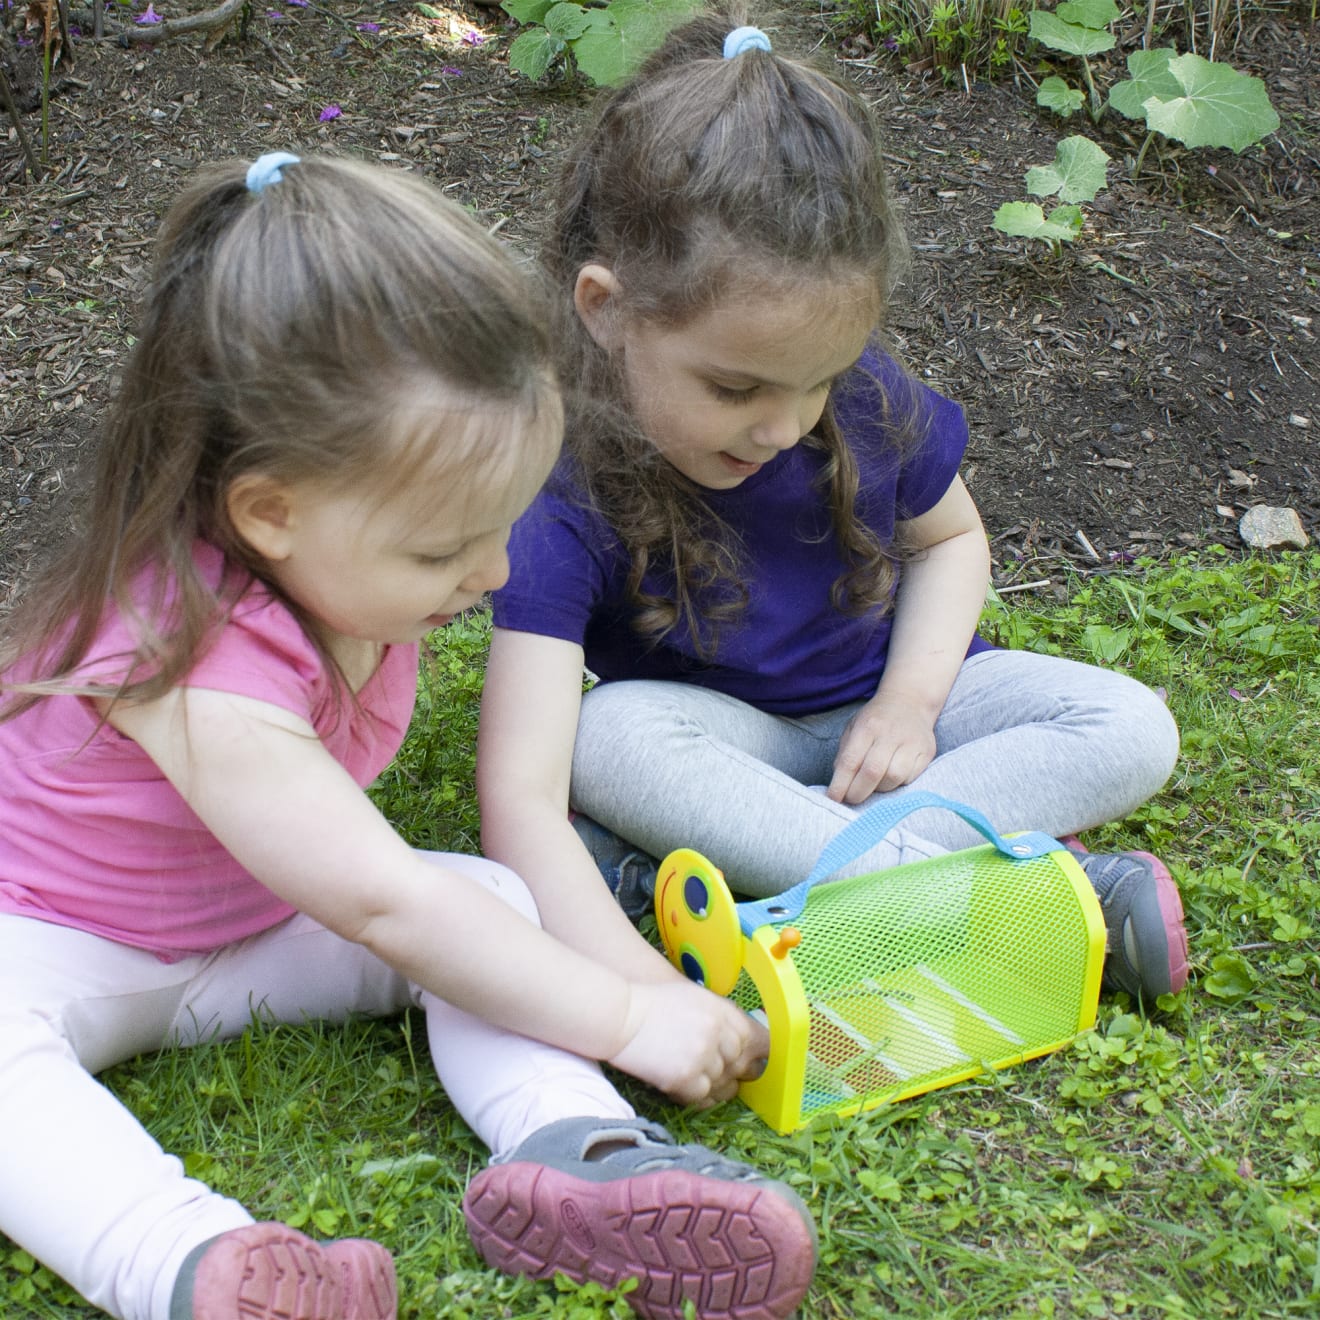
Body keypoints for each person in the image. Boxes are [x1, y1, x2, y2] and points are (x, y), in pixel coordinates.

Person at [0, 152, 818, 1320]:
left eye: (499, 530)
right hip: (48, 942)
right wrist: (628, 1012)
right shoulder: (176, 655)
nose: (488, 577)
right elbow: (385, 900)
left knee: (489, 898)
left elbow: (403, 902)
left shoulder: (351, 561)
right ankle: (188, 1266)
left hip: (257, 929)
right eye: (443, 552)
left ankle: (581, 1153)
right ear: (269, 511)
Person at [477, 9, 1190, 1014]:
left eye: (817, 382)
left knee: (1127, 725)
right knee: (607, 741)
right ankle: (1022, 896)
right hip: (729, 743)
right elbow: (520, 787)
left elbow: (950, 542)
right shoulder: (562, 493)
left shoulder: (862, 402)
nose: (782, 424)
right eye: (735, 390)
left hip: (899, 716)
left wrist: (909, 702)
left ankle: (794, 878)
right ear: (605, 309)